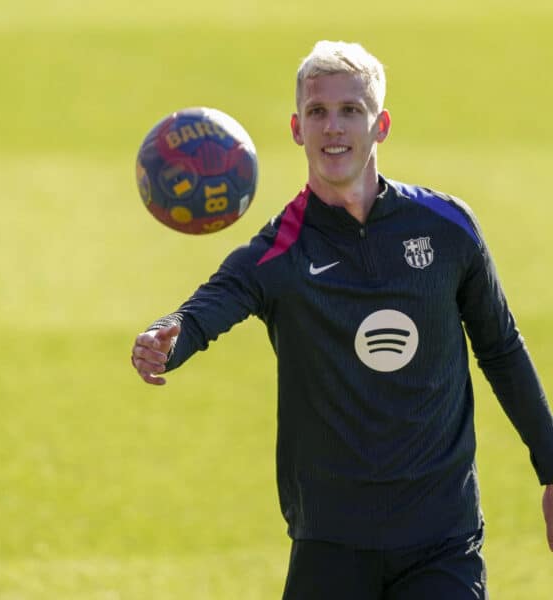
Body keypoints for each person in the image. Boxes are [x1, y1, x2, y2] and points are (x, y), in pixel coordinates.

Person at [131, 40, 553, 599]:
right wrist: (168, 336)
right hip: (331, 541)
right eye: (318, 112)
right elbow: (210, 306)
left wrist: (551, 464)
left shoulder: (448, 228)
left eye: (351, 110)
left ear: (380, 125)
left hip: (443, 538)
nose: (334, 127)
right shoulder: (279, 251)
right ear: (296, 128)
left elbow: (500, 348)